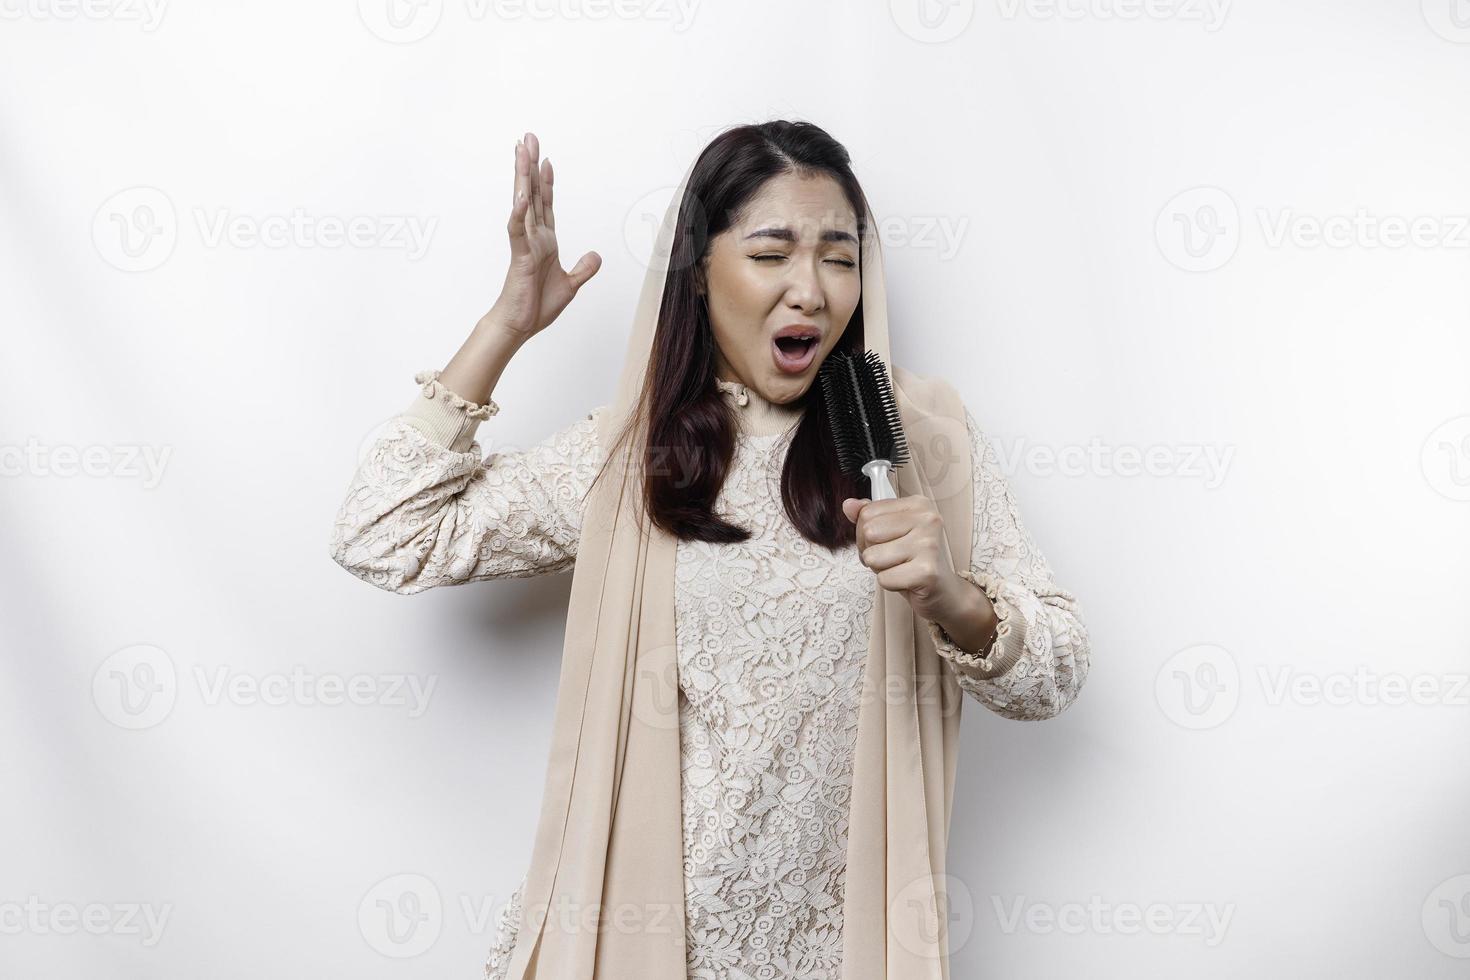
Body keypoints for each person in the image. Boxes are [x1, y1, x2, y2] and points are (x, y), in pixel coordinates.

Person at [328, 121, 1091, 980]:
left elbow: (1056, 675)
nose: (810, 290)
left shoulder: (925, 442)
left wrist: (954, 598)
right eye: (772, 254)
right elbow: (383, 534)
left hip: (841, 949)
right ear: (698, 274)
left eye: (839, 258)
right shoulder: (629, 456)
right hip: (642, 941)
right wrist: (506, 325)